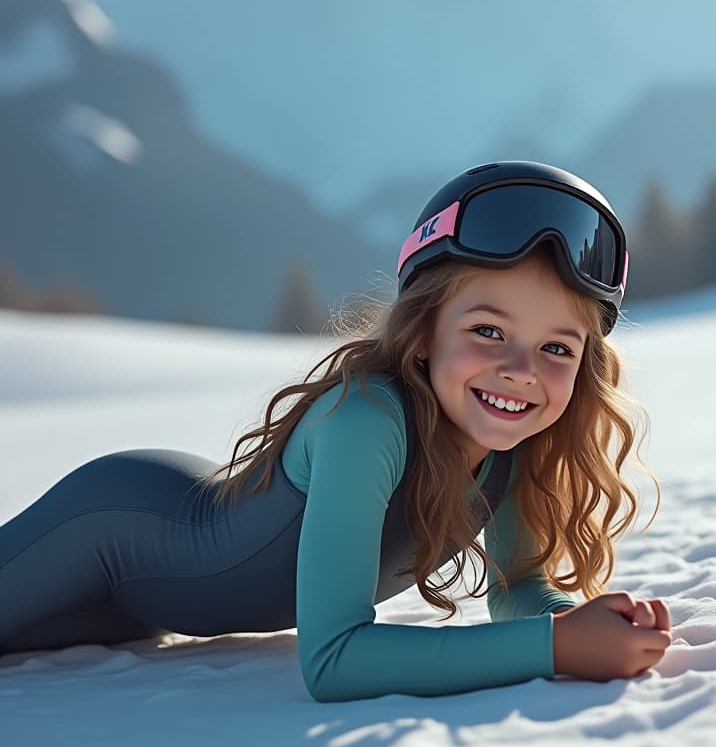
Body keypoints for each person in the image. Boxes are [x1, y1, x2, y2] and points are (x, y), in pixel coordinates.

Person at [0, 160, 672, 701]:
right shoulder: (366, 422)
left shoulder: (510, 444)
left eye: (557, 347)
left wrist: (584, 624)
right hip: (110, 530)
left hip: (146, 611)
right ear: (423, 332)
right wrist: (556, 648)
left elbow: (518, 592)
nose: (520, 371)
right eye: (487, 331)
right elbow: (334, 657)